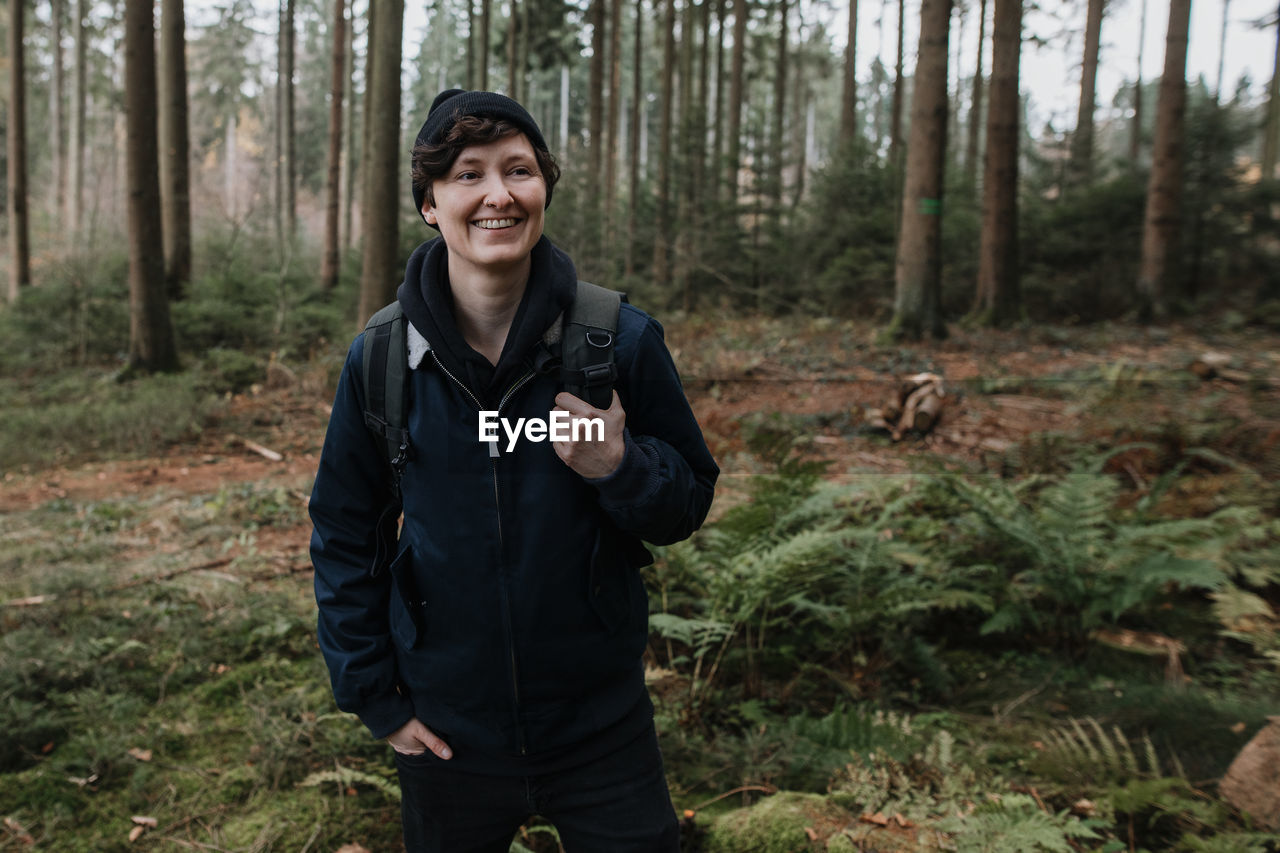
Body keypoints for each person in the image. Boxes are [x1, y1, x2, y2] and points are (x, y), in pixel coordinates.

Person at [309, 89, 718, 852]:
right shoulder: (383, 362)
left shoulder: (616, 342)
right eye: (469, 175)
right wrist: (377, 700)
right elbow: (343, 532)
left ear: (543, 191)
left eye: (519, 170)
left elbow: (688, 500)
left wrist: (619, 466)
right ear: (430, 203)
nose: (498, 193)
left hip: (603, 731)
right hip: (446, 736)